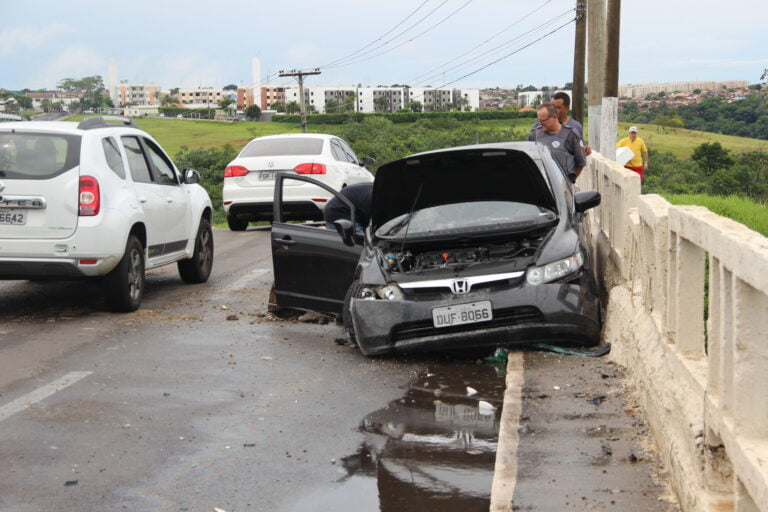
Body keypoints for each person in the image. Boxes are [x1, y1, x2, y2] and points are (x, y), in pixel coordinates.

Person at [529, 102, 586, 183]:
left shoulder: (571, 135)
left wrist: (567, 183)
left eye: (543, 120)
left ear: (554, 117)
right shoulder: (534, 135)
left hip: (561, 189)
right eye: (539, 120)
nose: (540, 123)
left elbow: (580, 163)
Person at [531, 91, 591, 156]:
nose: (554, 110)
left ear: (567, 108)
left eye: (558, 107)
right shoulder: (539, 125)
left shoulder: (575, 126)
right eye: (552, 106)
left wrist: (585, 150)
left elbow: (580, 151)